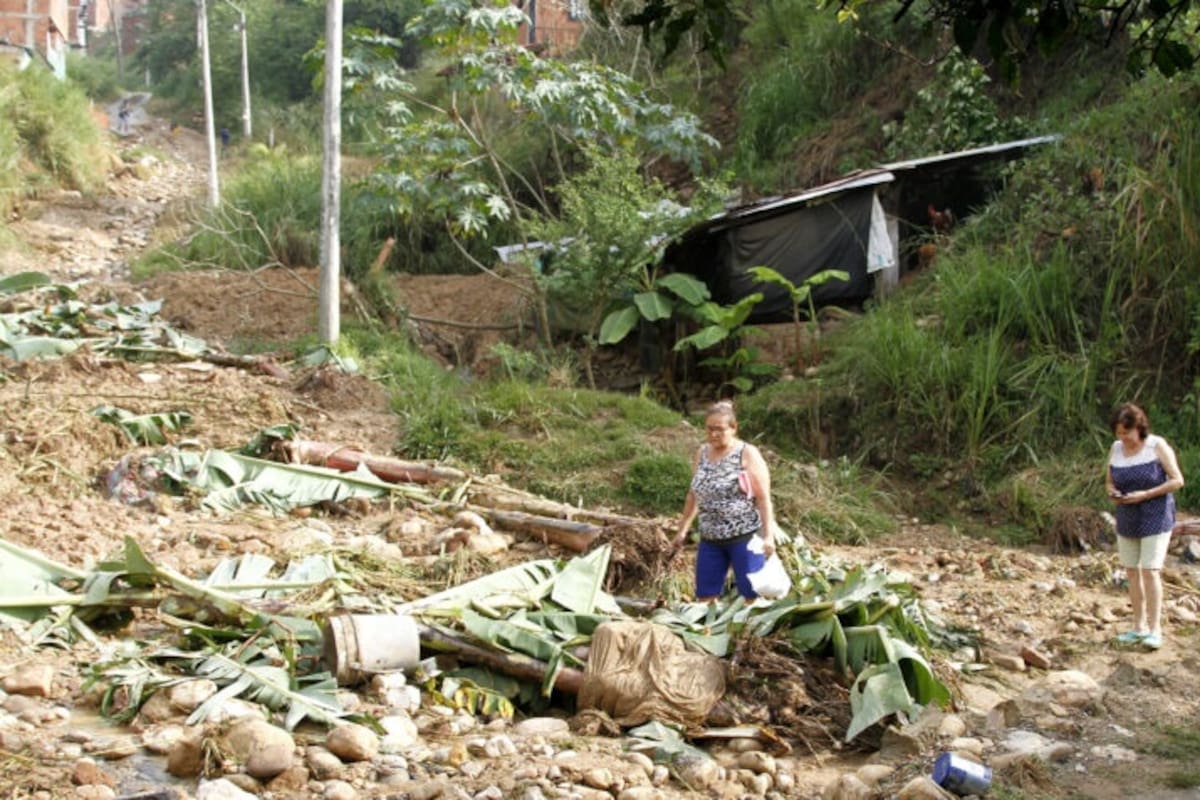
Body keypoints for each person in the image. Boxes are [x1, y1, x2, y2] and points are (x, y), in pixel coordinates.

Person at [671, 400, 779, 602]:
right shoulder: (701, 454)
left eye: (719, 429)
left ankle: (750, 632)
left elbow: (764, 498)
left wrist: (768, 536)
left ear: (734, 428)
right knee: (705, 596)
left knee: (752, 595)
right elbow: (694, 494)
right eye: (709, 429)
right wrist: (682, 530)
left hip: (744, 538)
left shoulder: (747, 453)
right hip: (710, 539)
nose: (713, 434)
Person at [1106, 402, 1184, 650]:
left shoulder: (1156, 446)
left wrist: (1146, 494)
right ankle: (1137, 627)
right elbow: (1109, 481)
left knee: (1150, 570)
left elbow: (1177, 480)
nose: (1123, 438)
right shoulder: (1116, 449)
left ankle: (1155, 629)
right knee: (1131, 571)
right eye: (1119, 433)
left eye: (1126, 433)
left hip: (1156, 515)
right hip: (1127, 515)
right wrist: (1113, 493)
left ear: (1138, 428)